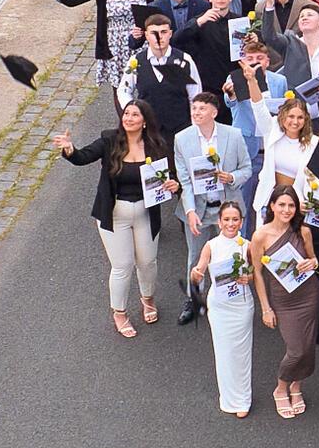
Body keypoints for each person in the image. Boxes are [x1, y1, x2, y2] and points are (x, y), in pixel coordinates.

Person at [51, 100, 177, 337]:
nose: (128, 118)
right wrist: (69, 149)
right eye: (126, 114)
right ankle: (119, 312)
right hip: (114, 214)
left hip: (145, 213)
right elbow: (82, 157)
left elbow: (168, 175)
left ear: (145, 121)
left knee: (148, 262)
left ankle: (147, 299)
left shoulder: (156, 145)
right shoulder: (109, 140)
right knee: (122, 266)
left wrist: (172, 184)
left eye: (135, 115)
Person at [173, 92, 251, 325]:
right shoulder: (182, 139)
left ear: (214, 113)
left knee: (231, 254)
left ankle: (232, 296)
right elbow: (185, 180)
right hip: (199, 209)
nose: (196, 113)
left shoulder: (233, 135)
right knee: (195, 256)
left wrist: (232, 177)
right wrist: (189, 211)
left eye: (201, 109)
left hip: (227, 209)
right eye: (194, 108)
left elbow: (246, 169)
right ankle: (193, 298)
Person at [252, 185, 319, 418]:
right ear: (272, 206)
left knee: (308, 347)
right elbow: (257, 274)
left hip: (309, 295)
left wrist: (313, 263)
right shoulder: (260, 236)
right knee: (296, 349)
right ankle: (281, 387)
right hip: (284, 300)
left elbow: (314, 259)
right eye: (281, 204)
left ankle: (297, 386)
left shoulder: (303, 231)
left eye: (291, 205)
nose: (286, 209)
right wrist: (265, 308)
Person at [40, 0, 153, 88]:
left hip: (139, 41)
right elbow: (74, 0)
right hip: (115, 44)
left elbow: (151, 10)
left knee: (145, 85)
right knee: (120, 87)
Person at [185, 201, 255, 416]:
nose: (231, 224)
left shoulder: (248, 245)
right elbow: (197, 273)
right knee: (224, 353)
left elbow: (256, 273)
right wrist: (196, 273)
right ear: (219, 221)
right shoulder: (211, 245)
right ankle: (229, 398)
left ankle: (243, 400)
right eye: (227, 219)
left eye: (235, 219)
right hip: (220, 306)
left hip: (242, 305)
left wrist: (248, 277)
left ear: (241, 222)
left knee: (242, 353)